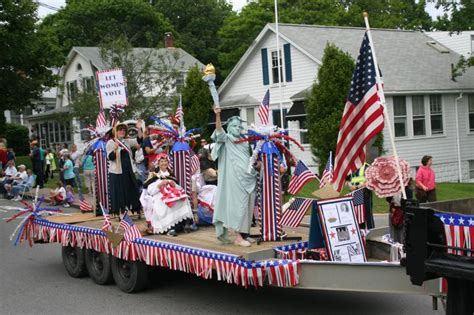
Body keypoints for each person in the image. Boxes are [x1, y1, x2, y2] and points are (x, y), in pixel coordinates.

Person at [211, 107, 258, 247]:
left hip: (248, 177)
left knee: (248, 206)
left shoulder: (244, 141)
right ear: (229, 128)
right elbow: (219, 130)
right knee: (239, 205)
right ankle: (237, 236)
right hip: (235, 178)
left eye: (239, 126)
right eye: (234, 126)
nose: (238, 128)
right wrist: (218, 115)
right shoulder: (227, 139)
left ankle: (245, 234)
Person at [140, 154, 194, 236]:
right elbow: (150, 191)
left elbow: (178, 188)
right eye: (161, 161)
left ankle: (185, 224)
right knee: (167, 203)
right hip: (159, 195)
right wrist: (159, 185)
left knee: (184, 198)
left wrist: (173, 184)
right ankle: (170, 228)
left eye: (165, 161)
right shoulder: (153, 175)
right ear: (158, 163)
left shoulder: (171, 174)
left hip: (172, 193)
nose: (164, 163)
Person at [106, 122, 142, 215]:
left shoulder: (127, 141)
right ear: (116, 131)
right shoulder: (111, 142)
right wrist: (116, 149)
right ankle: (121, 211)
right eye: (120, 130)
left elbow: (139, 140)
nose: (122, 132)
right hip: (117, 172)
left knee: (131, 189)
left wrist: (139, 129)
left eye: (123, 130)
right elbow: (110, 157)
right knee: (120, 192)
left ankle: (133, 207)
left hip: (128, 170)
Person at [349, 161, 375, 229]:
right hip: (356, 195)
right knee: (359, 216)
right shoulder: (353, 167)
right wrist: (351, 186)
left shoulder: (366, 167)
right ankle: (361, 232)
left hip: (365, 194)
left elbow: (370, 182)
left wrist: (357, 187)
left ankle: (371, 232)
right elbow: (351, 181)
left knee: (368, 215)